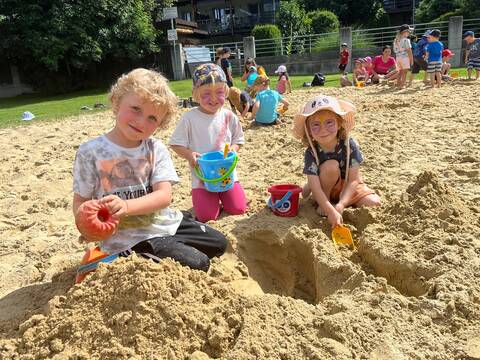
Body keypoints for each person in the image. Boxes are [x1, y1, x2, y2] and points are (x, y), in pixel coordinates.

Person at [72, 68, 227, 272]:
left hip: (160, 221)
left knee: (219, 243)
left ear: (160, 124)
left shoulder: (155, 149)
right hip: (127, 236)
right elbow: (80, 202)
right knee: (199, 263)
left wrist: (126, 206)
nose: (141, 121)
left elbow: (163, 196)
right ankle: (123, 257)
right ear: (117, 102)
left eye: (152, 118)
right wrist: (87, 224)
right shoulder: (90, 152)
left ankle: (166, 246)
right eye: (136, 109)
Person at [170, 63, 247, 223]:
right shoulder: (189, 118)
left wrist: (233, 149)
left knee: (238, 209)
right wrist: (189, 155)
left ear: (225, 92)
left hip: (227, 175)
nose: (213, 99)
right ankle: (209, 201)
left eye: (219, 92)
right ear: (195, 94)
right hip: (202, 179)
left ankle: (226, 197)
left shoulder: (228, 116)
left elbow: (238, 139)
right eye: (206, 94)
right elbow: (176, 144)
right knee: (207, 217)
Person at [291, 95, 381, 227]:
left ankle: (334, 200)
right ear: (309, 131)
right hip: (325, 186)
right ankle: (325, 200)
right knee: (330, 166)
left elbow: (354, 180)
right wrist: (329, 209)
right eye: (315, 125)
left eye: (329, 122)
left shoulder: (350, 145)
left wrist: (342, 204)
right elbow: (316, 187)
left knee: (374, 203)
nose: (323, 129)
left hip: (348, 186)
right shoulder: (311, 152)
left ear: (339, 124)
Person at [393, 24, 414, 88]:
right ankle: (402, 85)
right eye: (409, 31)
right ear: (404, 32)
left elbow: (394, 50)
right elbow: (409, 50)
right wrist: (411, 60)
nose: (409, 33)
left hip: (398, 57)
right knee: (405, 72)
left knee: (400, 71)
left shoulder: (396, 40)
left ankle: (398, 84)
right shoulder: (406, 40)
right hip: (404, 57)